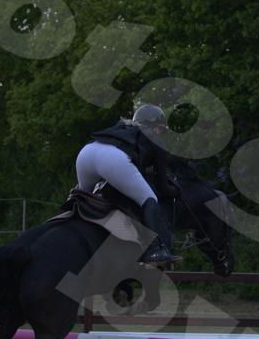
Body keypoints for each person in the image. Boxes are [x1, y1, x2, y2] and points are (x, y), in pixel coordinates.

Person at [74, 103, 180, 266]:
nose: (161, 133)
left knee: (81, 197)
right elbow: (161, 186)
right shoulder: (155, 139)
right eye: (161, 129)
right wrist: (176, 191)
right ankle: (154, 250)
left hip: (86, 153)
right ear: (157, 128)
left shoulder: (122, 128)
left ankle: (60, 218)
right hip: (112, 158)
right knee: (149, 198)